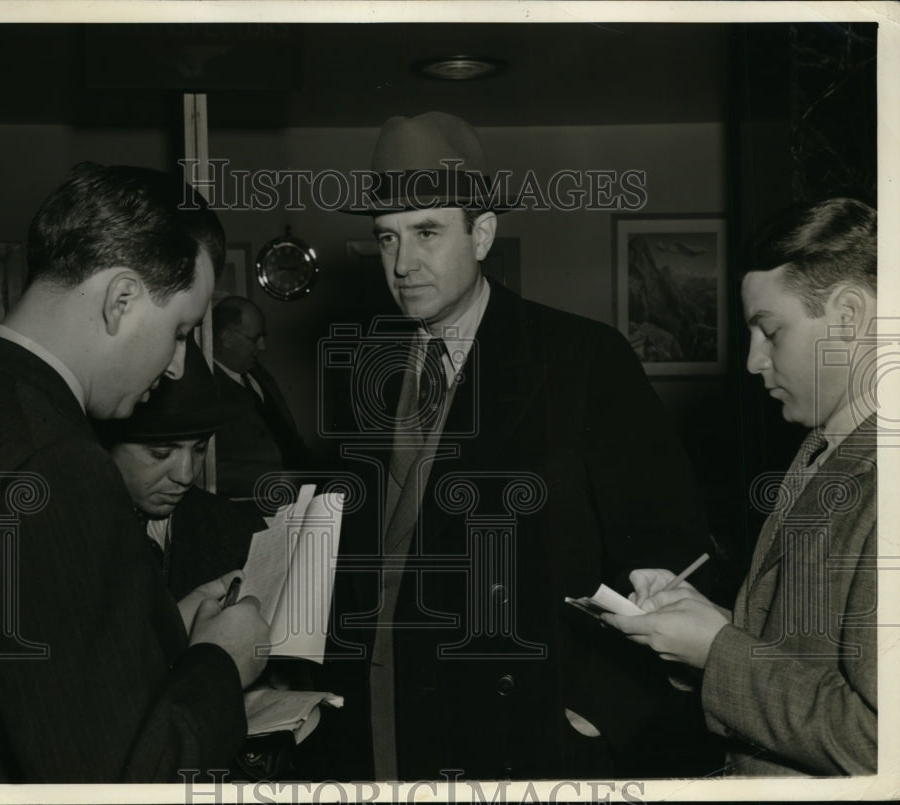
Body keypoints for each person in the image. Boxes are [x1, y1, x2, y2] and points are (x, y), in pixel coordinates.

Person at [316, 111, 718, 780]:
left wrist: (600, 713)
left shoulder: (581, 361)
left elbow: (675, 557)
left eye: (427, 232)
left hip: (522, 737)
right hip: (387, 720)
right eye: (387, 238)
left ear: (483, 234)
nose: (403, 263)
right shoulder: (371, 372)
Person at [0, 163, 270, 782]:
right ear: (120, 300)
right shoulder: (59, 465)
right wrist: (221, 661)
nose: (174, 368)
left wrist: (162, 625)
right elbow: (123, 776)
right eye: (180, 332)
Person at [604, 198, 877, 776]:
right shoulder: (820, 450)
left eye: (769, 331)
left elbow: (878, 742)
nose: (753, 362)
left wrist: (718, 650)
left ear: (850, 316)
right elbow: (803, 658)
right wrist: (707, 625)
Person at [98, 338, 265, 602]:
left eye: (200, 448)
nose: (186, 476)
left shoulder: (241, 530)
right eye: (160, 453)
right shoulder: (63, 535)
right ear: (105, 445)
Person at [212, 295, 312, 499]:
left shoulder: (259, 374)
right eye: (255, 338)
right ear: (227, 338)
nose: (263, 347)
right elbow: (207, 471)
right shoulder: (205, 389)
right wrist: (273, 480)